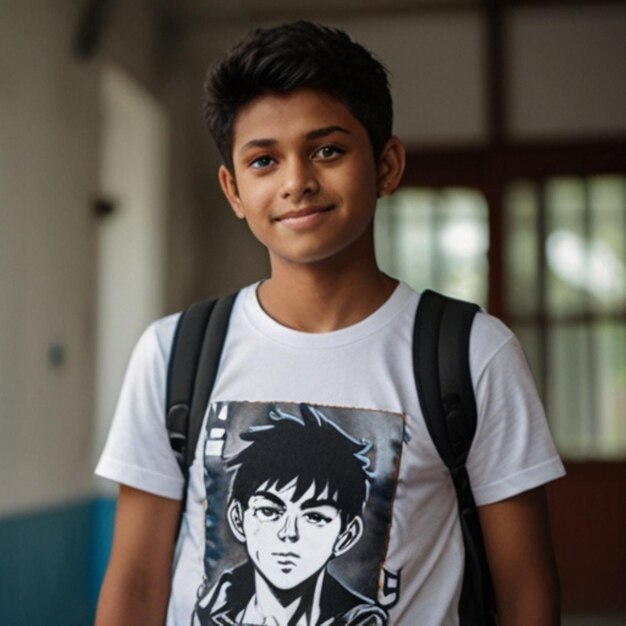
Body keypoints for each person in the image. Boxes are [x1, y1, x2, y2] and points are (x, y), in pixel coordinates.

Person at [95, 21, 565, 626]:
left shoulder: (473, 354)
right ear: (234, 190)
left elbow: (528, 588)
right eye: (264, 160)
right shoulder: (173, 353)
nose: (297, 182)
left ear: (387, 165)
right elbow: (134, 584)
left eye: (328, 150)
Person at [193, 404, 388, 625]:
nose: (289, 533)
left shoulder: (361, 620)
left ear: (346, 535)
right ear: (238, 519)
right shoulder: (211, 609)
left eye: (314, 517)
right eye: (269, 511)